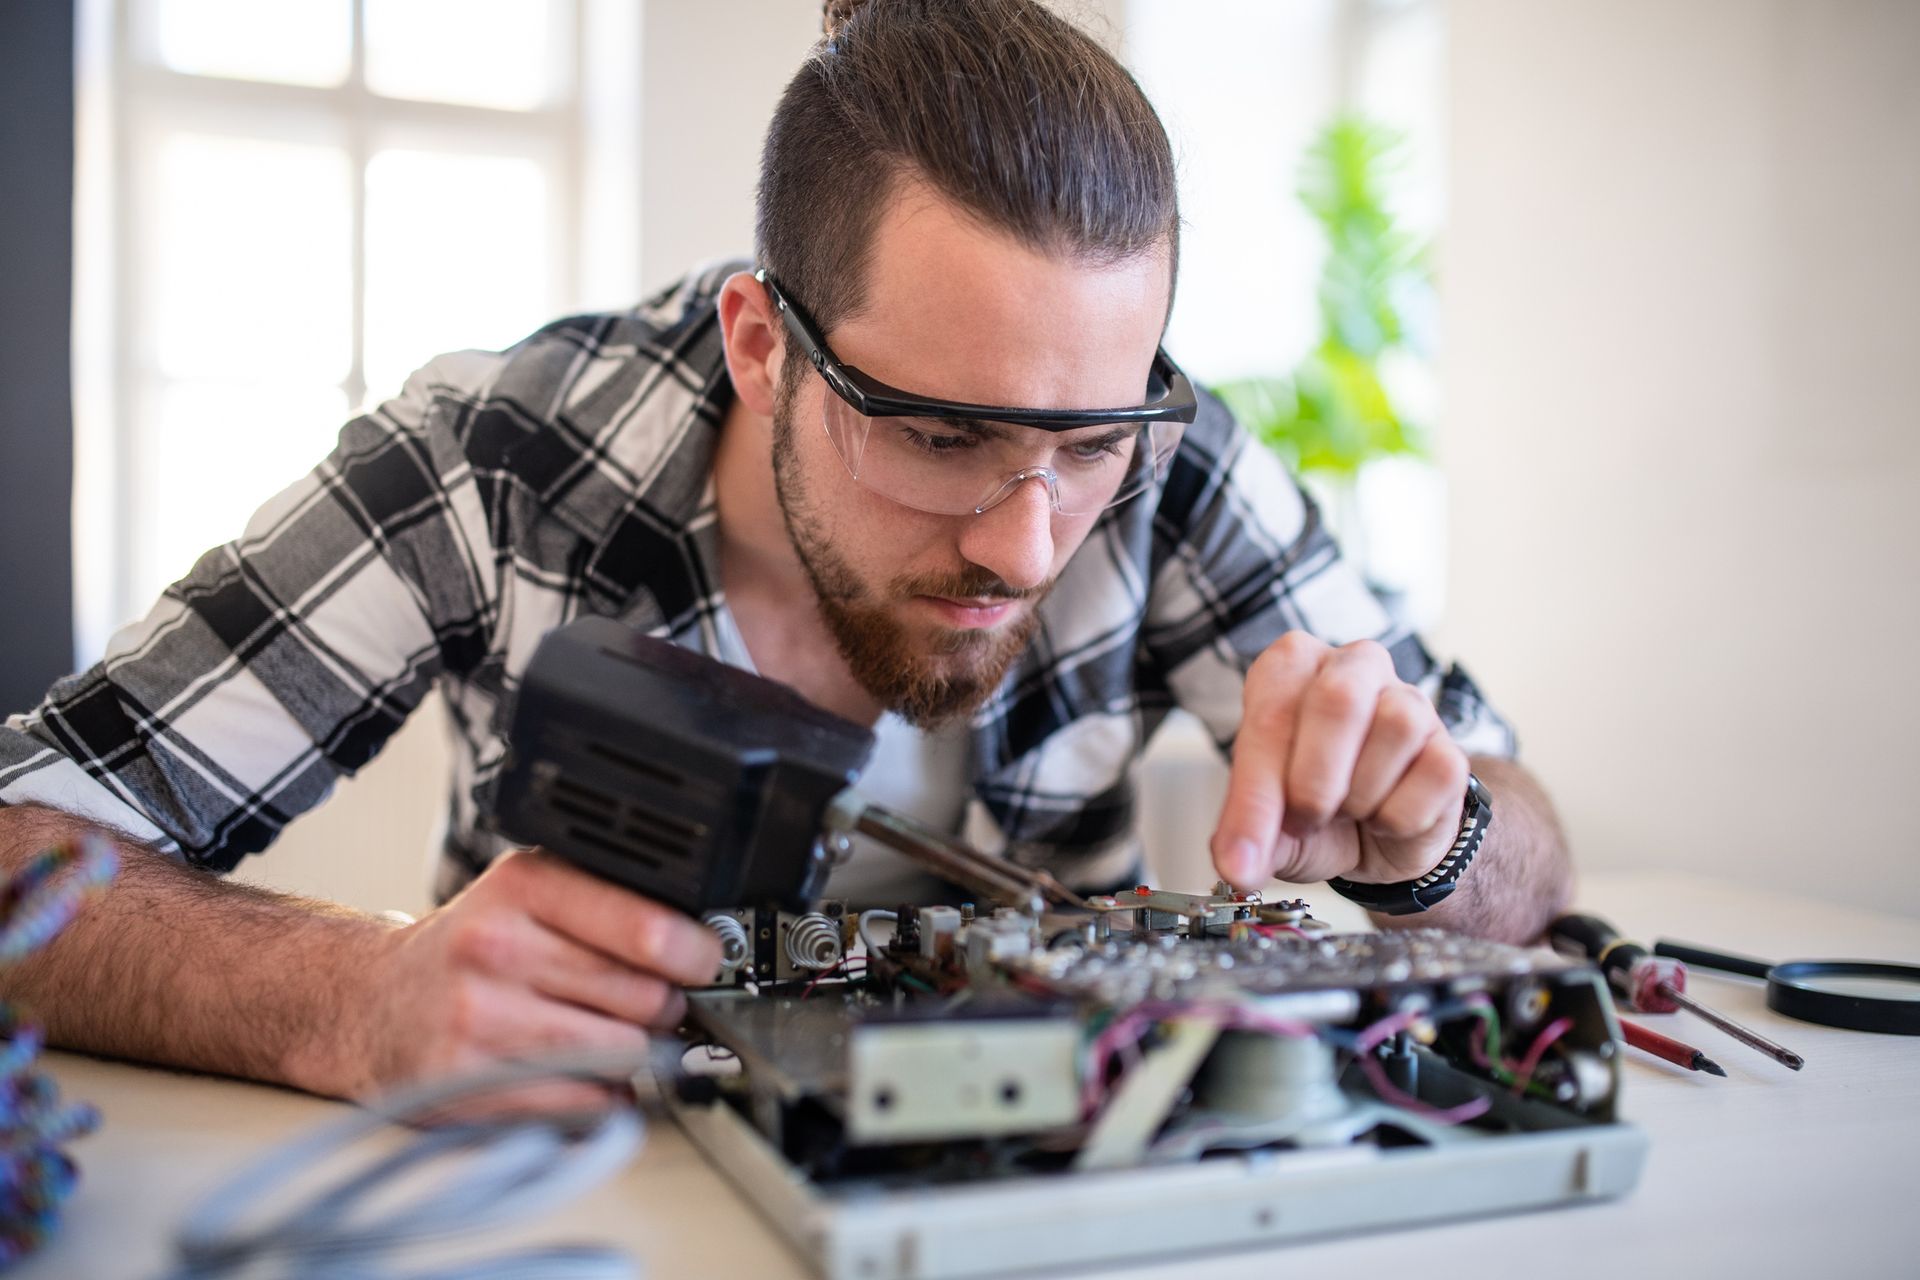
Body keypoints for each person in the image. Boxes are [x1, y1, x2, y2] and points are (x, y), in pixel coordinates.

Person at [0, 0, 1569, 1102]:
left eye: (1084, 446)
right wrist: (350, 997)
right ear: (763, 344)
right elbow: (20, 848)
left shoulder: (1172, 452)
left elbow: (1528, 846)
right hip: (571, 1194)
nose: (1024, 543)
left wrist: (1434, 836)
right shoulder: (493, 458)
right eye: (941, 436)